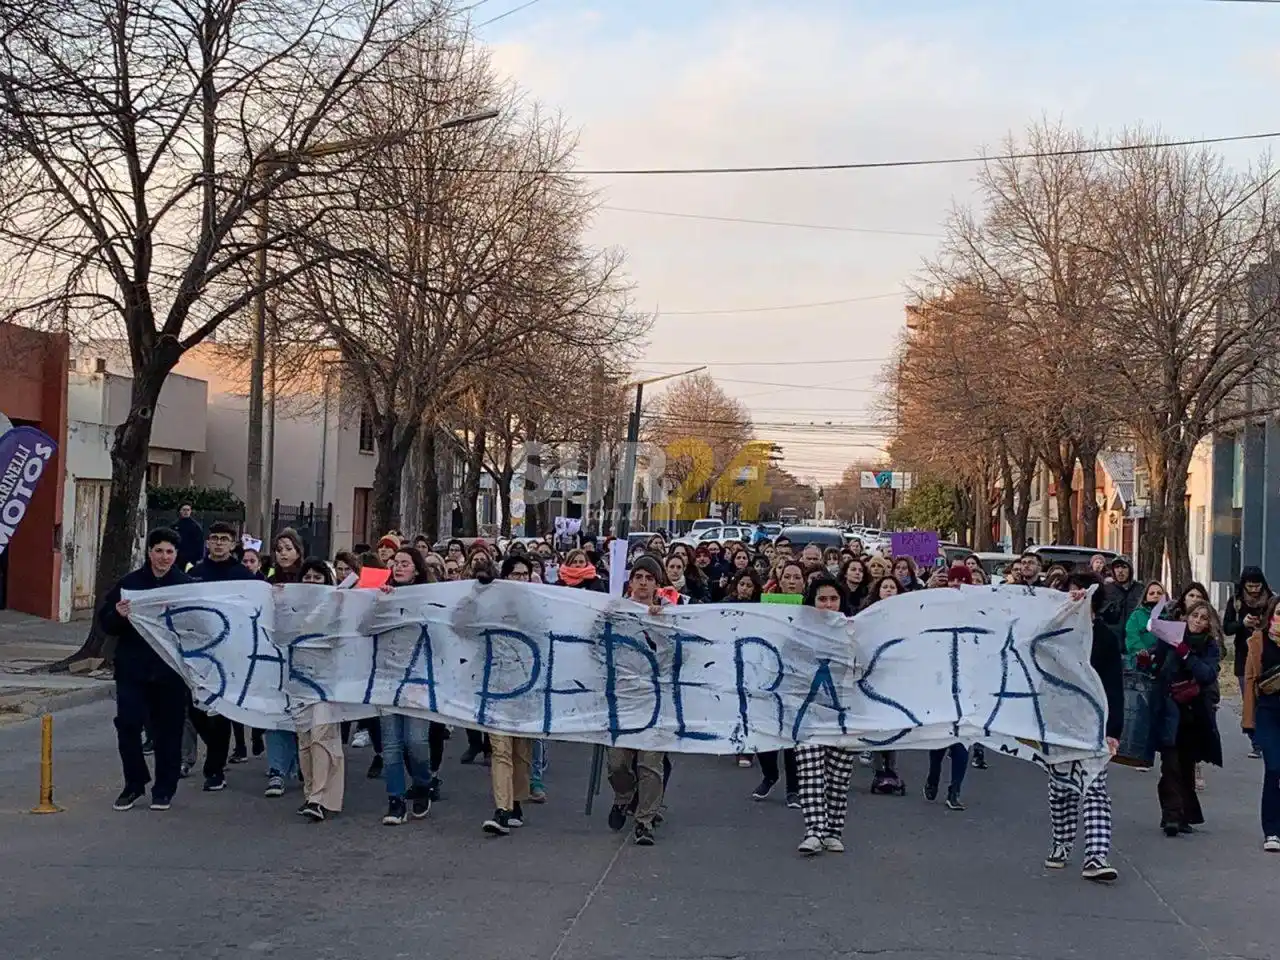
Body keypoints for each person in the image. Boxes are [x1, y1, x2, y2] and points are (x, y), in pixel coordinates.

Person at [101, 528, 193, 812]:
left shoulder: (186, 586)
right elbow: (106, 623)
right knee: (128, 724)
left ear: (176, 555)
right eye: (159, 551)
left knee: (169, 730)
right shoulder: (130, 584)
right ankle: (134, 783)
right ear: (149, 552)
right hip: (133, 669)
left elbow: (199, 627)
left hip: (171, 671)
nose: (164, 557)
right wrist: (118, 614)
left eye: (169, 552)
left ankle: (164, 789)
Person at [1045, 571, 1123, 883]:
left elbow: (1114, 687)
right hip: (1058, 720)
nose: (1076, 598)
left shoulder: (1104, 638)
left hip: (1094, 722)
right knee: (1061, 786)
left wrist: (1113, 729)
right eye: (1070, 593)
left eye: (1082, 593)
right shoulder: (1055, 633)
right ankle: (1062, 841)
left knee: (1094, 788)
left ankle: (1096, 854)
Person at [185, 521, 258, 792]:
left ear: (233, 544)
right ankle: (215, 750)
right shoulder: (195, 573)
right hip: (199, 652)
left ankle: (214, 770)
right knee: (196, 709)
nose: (218, 543)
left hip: (230, 652)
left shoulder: (243, 575)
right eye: (214, 538)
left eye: (224, 539)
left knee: (222, 710)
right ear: (207, 542)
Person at [1141, 600, 1223, 836]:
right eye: (1194, 616)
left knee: (1186, 764)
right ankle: (1171, 816)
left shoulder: (1210, 646)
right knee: (1171, 764)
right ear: (1186, 617)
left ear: (1209, 624)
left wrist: (1187, 655)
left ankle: (1185, 814)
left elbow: (1207, 674)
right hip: (1169, 710)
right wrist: (1147, 660)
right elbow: (1157, 666)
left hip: (1194, 714)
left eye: (1203, 618)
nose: (1197, 621)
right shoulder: (1171, 637)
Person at [606, 556, 669, 846]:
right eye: (639, 577)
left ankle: (645, 820)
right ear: (631, 582)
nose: (643, 582)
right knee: (617, 762)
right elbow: (596, 643)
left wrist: (660, 624)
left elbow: (676, 655)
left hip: (654, 701)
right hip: (621, 698)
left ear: (657, 584)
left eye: (649, 578)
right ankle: (624, 796)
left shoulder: (668, 616)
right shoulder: (615, 612)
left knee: (650, 763)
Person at [794, 575, 857, 855]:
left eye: (833, 599)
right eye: (822, 599)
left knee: (838, 776)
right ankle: (814, 831)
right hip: (807, 715)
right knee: (810, 772)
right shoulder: (797, 633)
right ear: (812, 602)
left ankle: (833, 831)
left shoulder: (855, 633)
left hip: (845, 714)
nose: (828, 605)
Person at [379, 548, 439, 825]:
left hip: (418, 680)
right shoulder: (380, 595)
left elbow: (439, 632)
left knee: (415, 741)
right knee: (391, 745)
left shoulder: (430, 598)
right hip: (386, 680)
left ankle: (423, 783)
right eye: (395, 563)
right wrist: (380, 605)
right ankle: (395, 799)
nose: (399, 567)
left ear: (416, 569)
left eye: (405, 563)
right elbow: (365, 628)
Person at [483, 554, 538, 836]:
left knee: (520, 750)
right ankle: (502, 810)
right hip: (495, 688)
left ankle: (516, 801)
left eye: (524, 574)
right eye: (514, 574)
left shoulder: (540, 606)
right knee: (500, 749)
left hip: (527, 688)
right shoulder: (491, 606)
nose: (519, 579)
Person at [291, 558, 346, 821]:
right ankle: (311, 791)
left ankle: (320, 798)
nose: (312, 582)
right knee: (304, 740)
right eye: (307, 577)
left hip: (327, 681)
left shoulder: (338, 608)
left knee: (322, 736)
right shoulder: (288, 608)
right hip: (298, 681)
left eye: (317, 577)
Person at [752, 559, 806, 808]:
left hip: (798, 680)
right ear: (780, 579)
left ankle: (793, 788)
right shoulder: (767, 606)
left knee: (792, 735)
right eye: (787, 577)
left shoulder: (812, 609)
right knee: (765, 730)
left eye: (797, 577)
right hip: (769, 676)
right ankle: (770, 774)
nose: (792, 581)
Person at [262, 529, 307, 798]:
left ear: (298, 551)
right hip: (273, 657)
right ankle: (276, 771)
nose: (283, 553)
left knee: (302, 714)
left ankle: (303, 764)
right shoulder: (266, 580)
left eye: (288, 548)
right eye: (279, 548)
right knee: (275, 713)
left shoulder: (311, 579)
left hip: (304, 657)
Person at [1241, 594, 1280, 852]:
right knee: (1274, 768)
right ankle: (1272, 831)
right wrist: (1248, 720)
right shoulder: (1259, 641)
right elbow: (1250, 681)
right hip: (1268, 712)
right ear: (1271, 616)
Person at [1225, 567, 1272, 759]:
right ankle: (1256, 741)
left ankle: (1266, 739)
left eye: (1257, 586)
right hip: (1243, 656)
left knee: (1265, 700)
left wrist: (1263, 623)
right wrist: (1242, 624)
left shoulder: (1271, 600)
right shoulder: (1236, 602)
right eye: (1250, 586)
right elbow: (1227, 628)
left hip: (1267, 656)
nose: (1254, 590)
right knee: (1249, 700)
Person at [1124, 581, 1166, 668]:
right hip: (1141, 661)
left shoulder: (1169, 616)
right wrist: (1142, 651)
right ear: (1145, 598)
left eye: (1159, 593)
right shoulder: (1136, 615)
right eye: (1151, 593)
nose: (1155, 595)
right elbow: (1132, 636)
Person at [1101, 557, 1142, 629]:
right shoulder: (1106, 589)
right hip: (1112, 636)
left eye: (1124, 567)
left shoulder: (1140, 589)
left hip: (1134, 636)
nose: (1120, 570)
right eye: (1117, 567)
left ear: (1130, 570)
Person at [174, 503, 204, 571]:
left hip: (191, 560)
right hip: (177, 558)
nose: (186, 512)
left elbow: (200, 543)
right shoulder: (175, 526)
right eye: (184, 510)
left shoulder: (195, 527)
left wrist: (199, 558)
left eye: (188, 510)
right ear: (180, 511)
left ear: (190, 511)